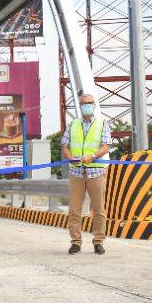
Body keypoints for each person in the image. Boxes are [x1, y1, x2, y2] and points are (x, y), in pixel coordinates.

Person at [61, 94, 111, 255]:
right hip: (76, 172)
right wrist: (69, 158)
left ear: (94, 105)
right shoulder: (73, 125)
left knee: (98, 209)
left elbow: (106, 146)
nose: (86, 106)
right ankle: (75, 242)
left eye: (89, 103)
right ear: (80, 106)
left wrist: (93, 156)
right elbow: (65, 146)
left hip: (95, 171)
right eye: (83, 104)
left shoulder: (102, 123)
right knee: (74, 210)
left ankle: (98, 241)